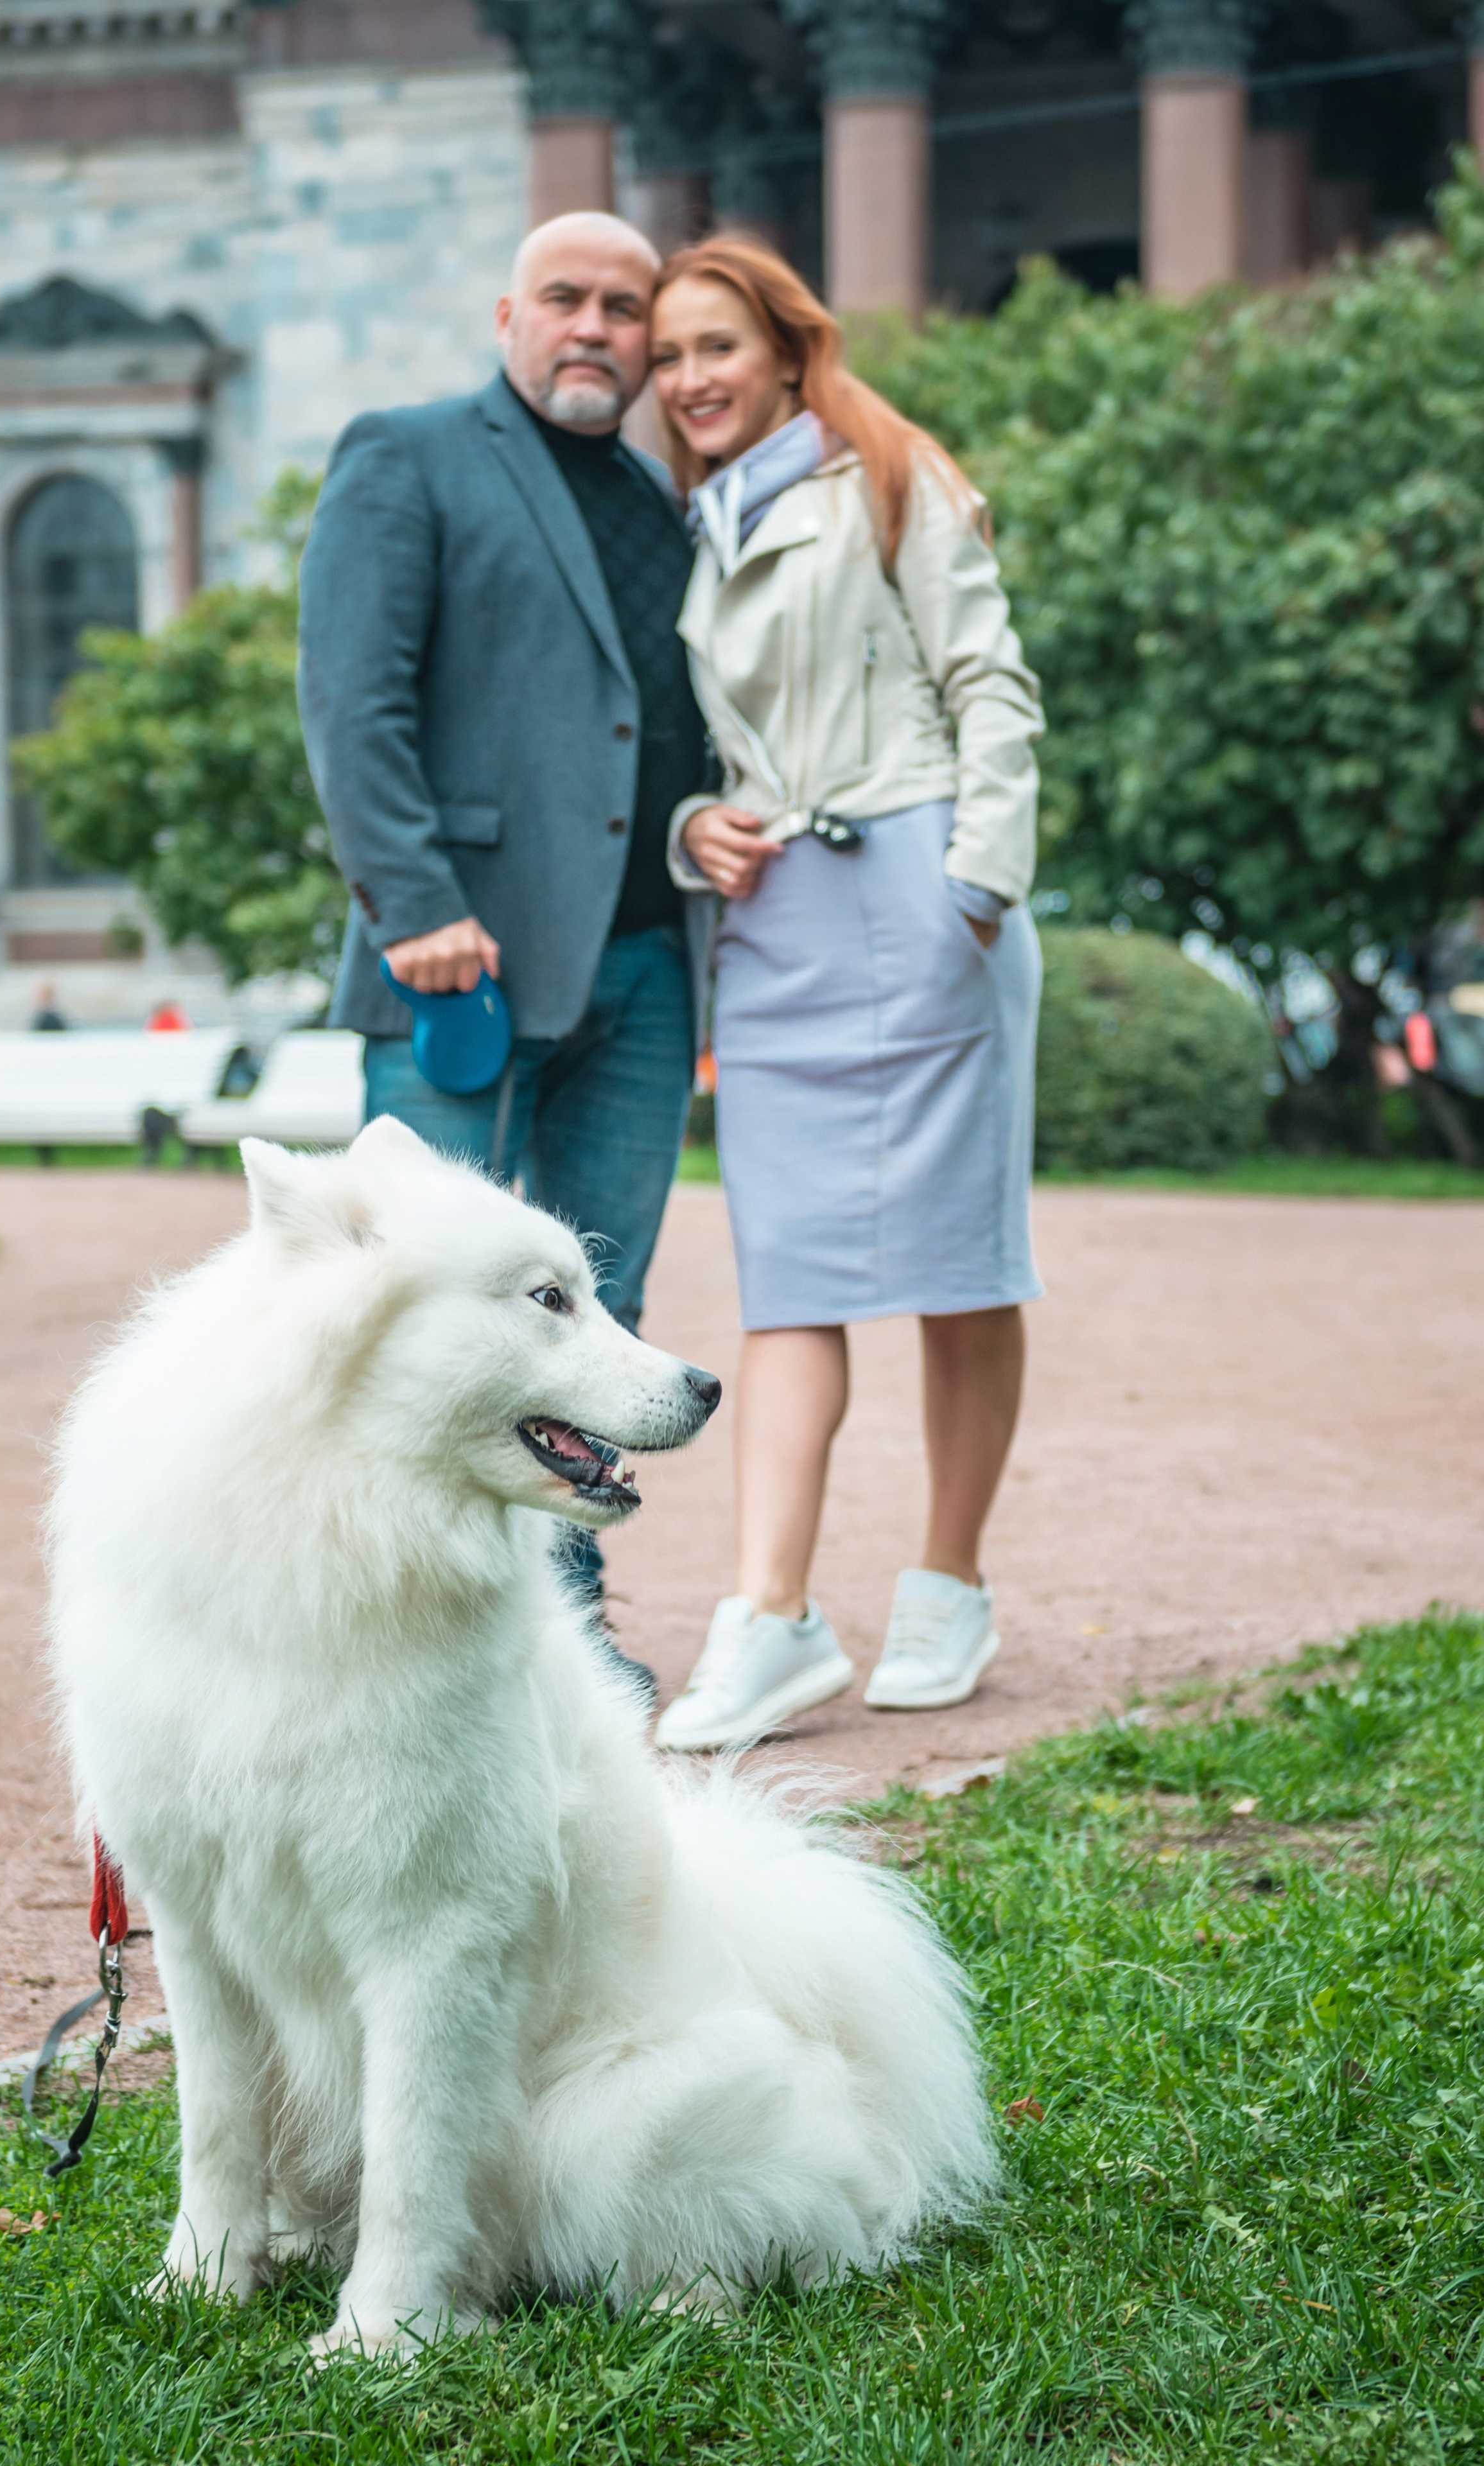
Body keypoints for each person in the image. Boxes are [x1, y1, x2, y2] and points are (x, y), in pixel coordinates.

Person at [645, 237, 1045, 1753]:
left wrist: (972, 886)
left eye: (715, 347)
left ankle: (948, 1580)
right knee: (788, 1272)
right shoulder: (687, 523)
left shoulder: (888, 473)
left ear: (784, 348)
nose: (688, 378)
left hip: (920, 887)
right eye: (670, 357)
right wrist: (694, 830)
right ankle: (771, 1617)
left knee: (957, 1260)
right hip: (775, 925)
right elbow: (700, 754)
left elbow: (990, 687)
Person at [296, 212, 716, 1649]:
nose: (593, 327)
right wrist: (412, 905)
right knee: (404, 1308)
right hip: (456, 965)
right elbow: (353, 702)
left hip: (652, 963)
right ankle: (373, 1625)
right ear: (506, 316)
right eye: (564, 299)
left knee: (596, 1317)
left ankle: (562, 1646)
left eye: (622, 306)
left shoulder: (666, 498)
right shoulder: (405, 455)